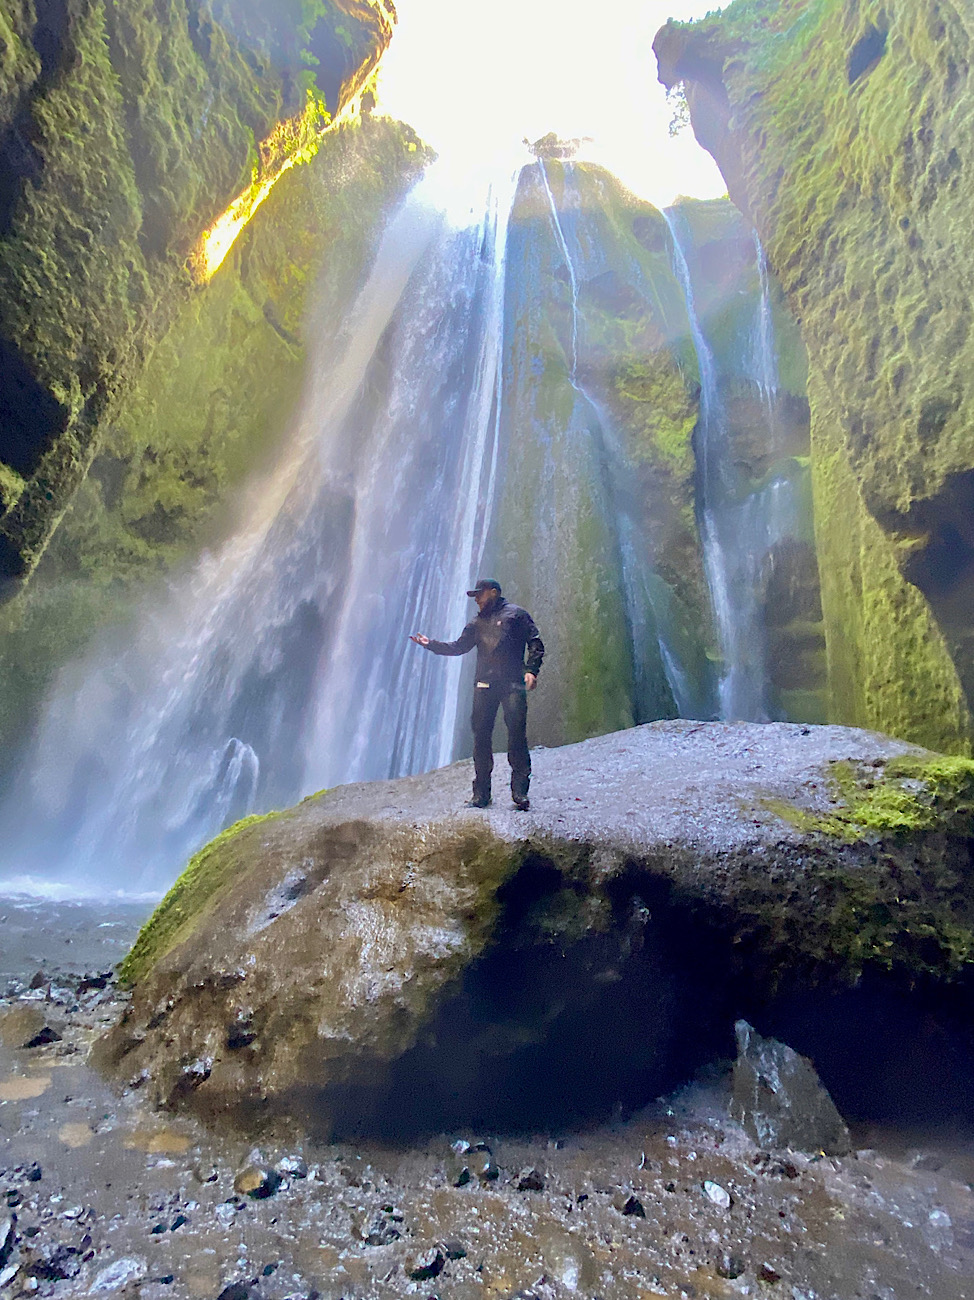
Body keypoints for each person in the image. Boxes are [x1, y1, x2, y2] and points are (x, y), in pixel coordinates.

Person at [410, 579, 544, 810]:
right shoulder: (476, 624)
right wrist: (429, 644)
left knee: (517, 736)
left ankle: (520, 792)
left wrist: (532, 670)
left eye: (479, 595)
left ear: (493, 593)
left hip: (512, 684)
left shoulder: (516, 615)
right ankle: (481, 794)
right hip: (484, 685)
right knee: (481, 738)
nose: (477, 600)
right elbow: (458, 647)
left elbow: (535, 642)